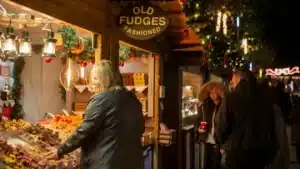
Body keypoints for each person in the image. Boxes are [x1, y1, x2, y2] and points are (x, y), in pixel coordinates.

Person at [48, 60, 144, 169]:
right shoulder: (133, 99)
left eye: (94, 79)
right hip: (133, 162)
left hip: (107, 163)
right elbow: (140, 128)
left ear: (102, 80)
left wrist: (61, 150)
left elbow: (85, 130)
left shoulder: (101, 99)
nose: (93, 83)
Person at [215, 68, 277, 169]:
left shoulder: (232, 98)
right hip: (260, 153)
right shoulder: (265, 98)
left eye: (233, 80)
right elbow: (271, 126)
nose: (231, 83)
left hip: (236, 152)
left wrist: (223, 143)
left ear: (239, 79)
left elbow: (221, 125)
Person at [197, 82, 225, 169]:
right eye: (210, 93)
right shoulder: (206, 105)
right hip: (207, 138)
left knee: (217, 164)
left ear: (219, 93)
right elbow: (201, 119)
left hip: (219, 140)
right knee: (207, 163)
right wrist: (200, 128)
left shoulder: (224, 105)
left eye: (214, 93)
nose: (212, 95)